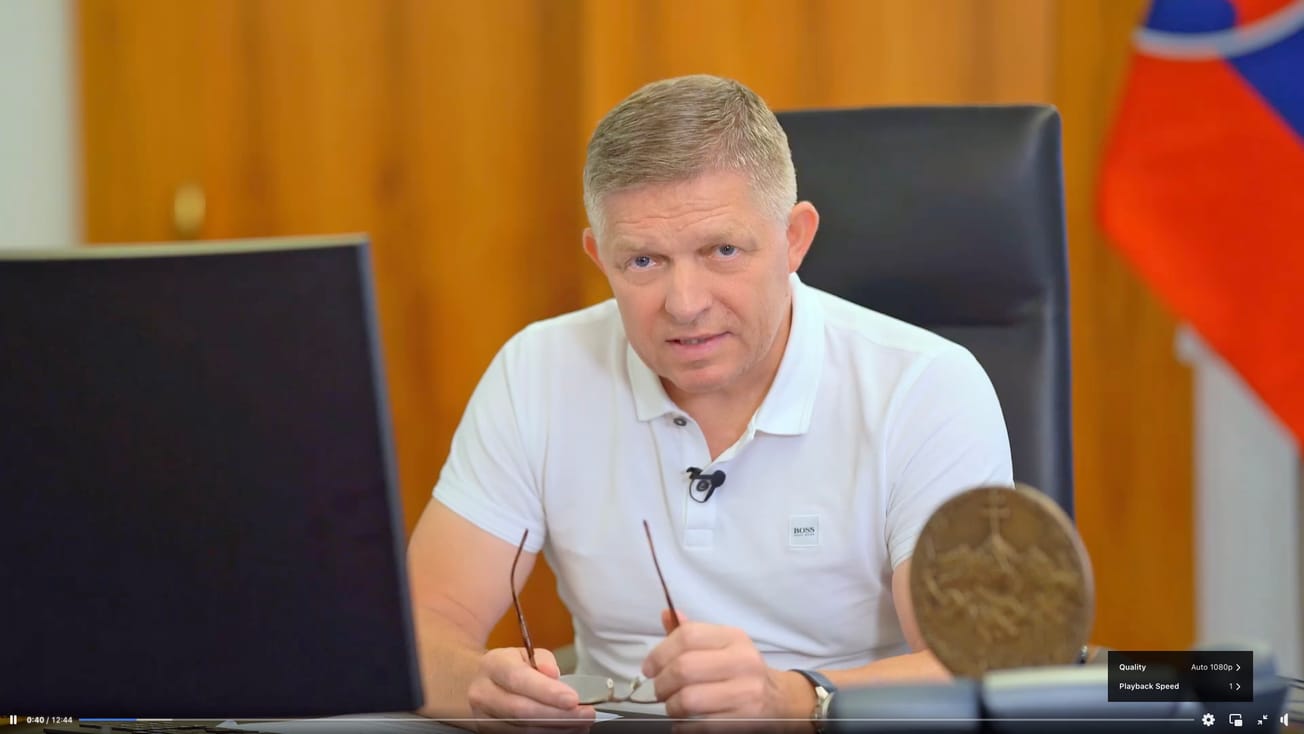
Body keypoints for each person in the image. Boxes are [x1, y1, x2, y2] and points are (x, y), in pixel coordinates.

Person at [407, 74, 1012, 728]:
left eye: (722, 250)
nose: (686, 304)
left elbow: (971, 666)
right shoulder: (538, 370)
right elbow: (420, 628)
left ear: (795, 239)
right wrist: (479, 689)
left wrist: (790, 700)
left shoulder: (925, 386)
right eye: (643, 262)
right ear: (599, 257)